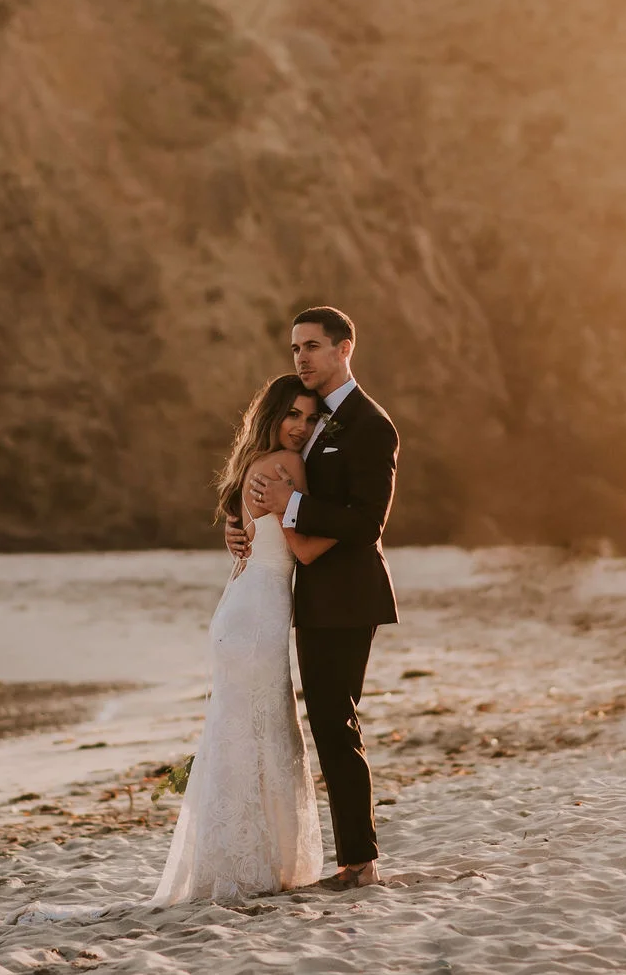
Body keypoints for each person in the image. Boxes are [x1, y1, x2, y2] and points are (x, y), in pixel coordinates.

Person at [229, 306, 398, 891]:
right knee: (325, 722)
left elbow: (367, 521)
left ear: (344, 348)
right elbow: (275, 489)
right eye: (295, 347)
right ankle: (355, 859)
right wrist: (246, 525)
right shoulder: (313, 420)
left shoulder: (372, 425)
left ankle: (359, 863)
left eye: (311, 346)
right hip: (313, 598)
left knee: (334, 722)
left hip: (350, 595)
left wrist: (290, 509)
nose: (300, 357)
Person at [151, 374, 330, 904]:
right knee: (262, 734)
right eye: (292, 415)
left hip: (239, 611)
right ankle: (260, 867)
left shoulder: (252, 465)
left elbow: (253, 535)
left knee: (239, 737)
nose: (300, 427)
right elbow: (304, 550)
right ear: (272, 415)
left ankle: (234, 863)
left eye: (310, 417)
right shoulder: (290, 466)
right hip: (258, 620)